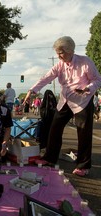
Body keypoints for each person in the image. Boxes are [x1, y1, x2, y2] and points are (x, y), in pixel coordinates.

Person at [23, 36, 101, 176]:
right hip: (65, 100)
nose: (59, 56)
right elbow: (46, 77)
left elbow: (97, 79)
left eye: (61, 52)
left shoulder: (85, 62)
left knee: (84, 133)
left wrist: (87, 89)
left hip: (82, 101)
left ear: (71, 51)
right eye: (57, 53)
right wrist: (32, 90)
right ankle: (49, 158)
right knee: (54, 128)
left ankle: (83, 166)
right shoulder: (59, 65)